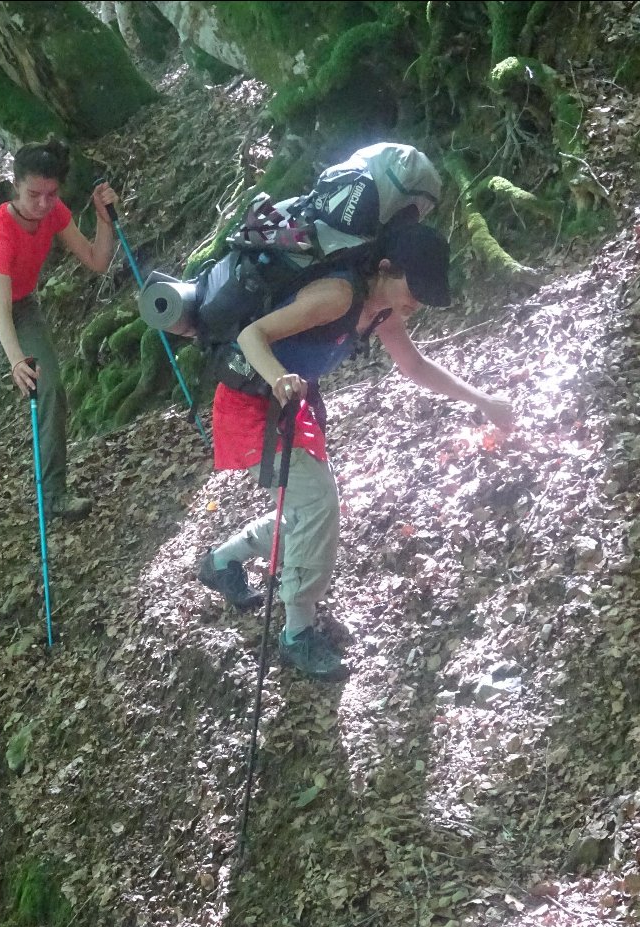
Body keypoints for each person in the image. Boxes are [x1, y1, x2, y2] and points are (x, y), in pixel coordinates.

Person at [197, 222, 514, 681]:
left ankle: (223, 561)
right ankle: (296, 632)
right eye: (415, 288)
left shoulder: (383, 310)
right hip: (250, 404)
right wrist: (276, 378)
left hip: (289, 404)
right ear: (385, 269)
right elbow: (251, 336)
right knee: (319, 504)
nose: (417, 302)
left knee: (310, 510)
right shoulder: (338, 295)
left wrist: (481, 400)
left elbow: (415, 365)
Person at [0, 139, 119, 542]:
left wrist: (104, 220)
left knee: (52, 387)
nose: (43, 204)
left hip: (22, 306)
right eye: (33, 195)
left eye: (51, 194)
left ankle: (55, 492)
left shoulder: (55, 213)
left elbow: (97, 261)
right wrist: (17, 360)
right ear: (15, 186)